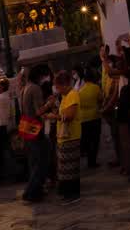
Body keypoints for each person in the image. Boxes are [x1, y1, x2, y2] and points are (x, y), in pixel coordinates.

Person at [19, 66, 53, 203]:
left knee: (34, 161)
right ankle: (31, 191)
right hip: (35, 128)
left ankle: (35, 191)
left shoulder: (25, 88)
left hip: (26, 127)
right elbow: (39, 111)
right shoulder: (35, 88)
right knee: (42, 160)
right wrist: (50, 103)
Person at [52, 70, 81, 204]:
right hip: (63, 137)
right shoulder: (64, 97)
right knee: (64, 168)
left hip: (71, 136)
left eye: (57, 86)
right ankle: (66, 192)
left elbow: (69, 116)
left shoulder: (73, 95)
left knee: (70, 167)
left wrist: (54, 116)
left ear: (63, 85)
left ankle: (73, 193)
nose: (56, 90)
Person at [76, 64, 103, 169]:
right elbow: (101, 99)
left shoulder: (80, 91)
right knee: (94, 141)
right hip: (95, 117)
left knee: (86, 140)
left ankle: (86, 160)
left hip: (83, 119)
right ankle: (92, 162)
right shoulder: (96, 88)